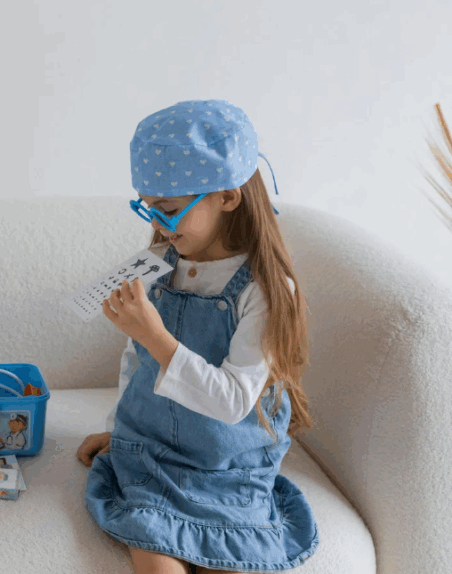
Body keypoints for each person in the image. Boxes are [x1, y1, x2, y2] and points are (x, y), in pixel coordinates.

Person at [76, 100, 319, 573]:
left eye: (168, 210)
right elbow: (135, 362)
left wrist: (157, 337)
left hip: (230, 469)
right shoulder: (157, 269)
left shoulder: (265, 291)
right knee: (156, 558)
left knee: (235, 560)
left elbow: (232, 403)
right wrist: (117, 426)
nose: (156, 225)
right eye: (149, 209)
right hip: (153, 461)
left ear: (227, 197)